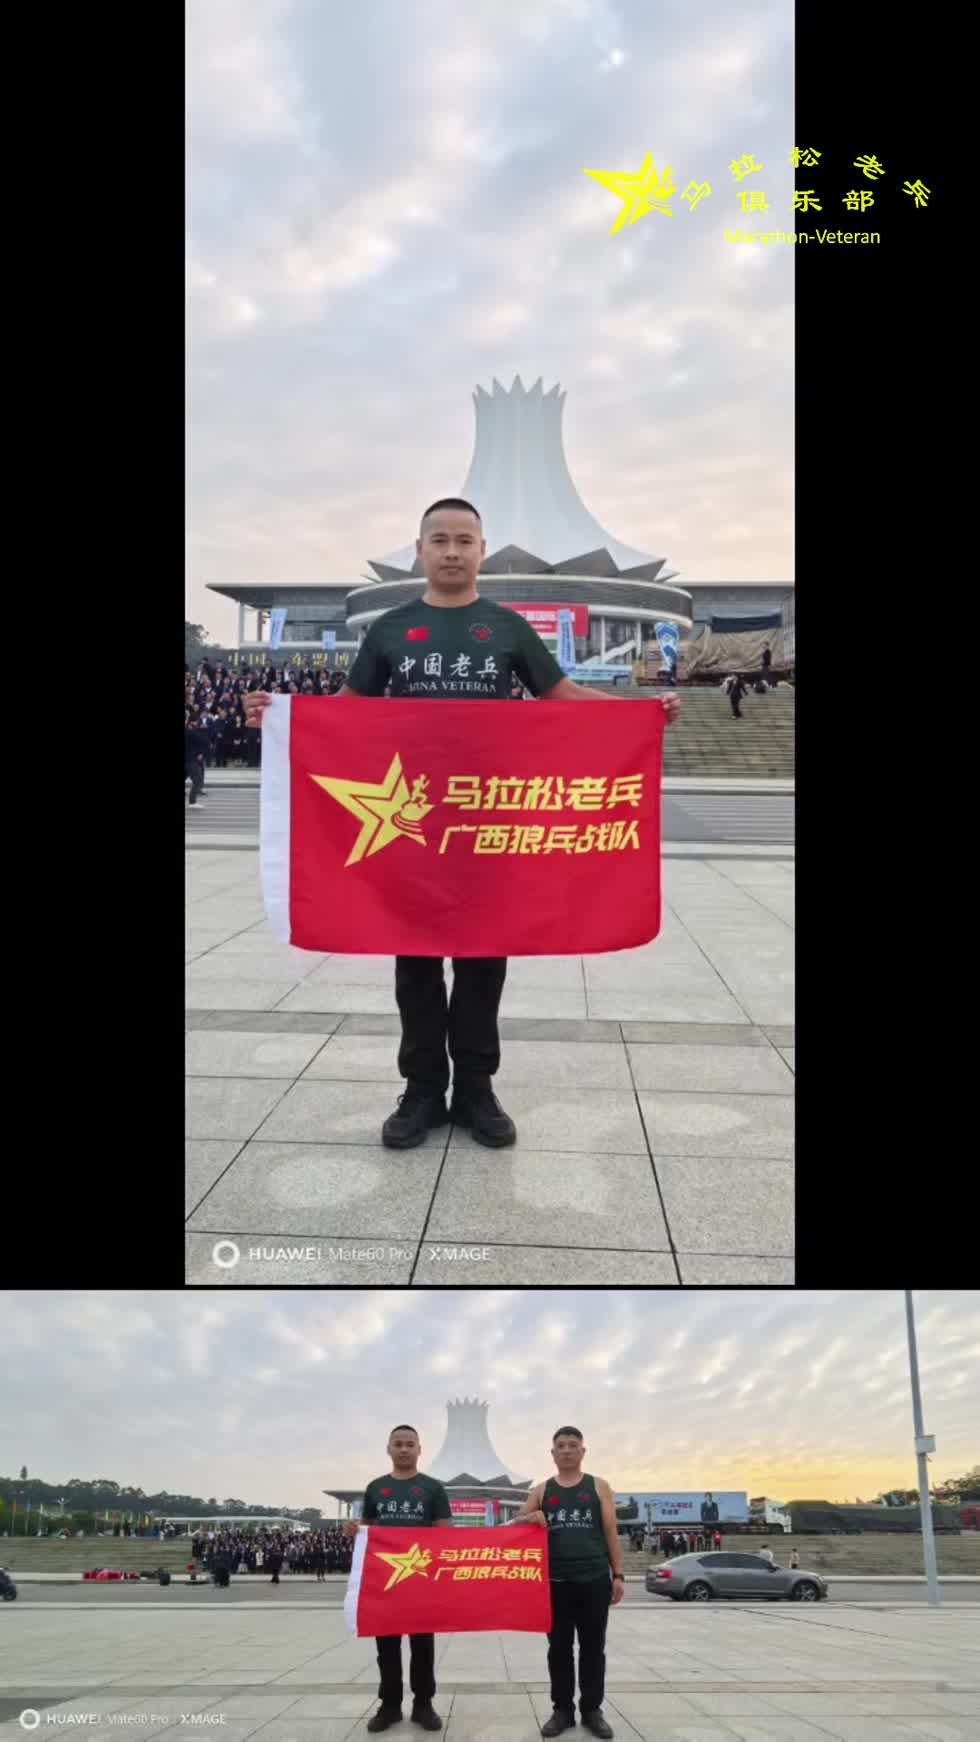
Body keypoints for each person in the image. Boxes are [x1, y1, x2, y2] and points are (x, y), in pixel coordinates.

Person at [244, 498, 682, 1152]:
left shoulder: (505, 628)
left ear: (482, 551)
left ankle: (476, 1088)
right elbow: (344, 710)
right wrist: (279, 715)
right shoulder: (392, 629)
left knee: (483, 959)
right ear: (420, 550)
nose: (452, 551)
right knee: (415, 962)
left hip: (484, 826)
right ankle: (422, 1089)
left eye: (464, 540)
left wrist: (639, 714)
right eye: (440, 540)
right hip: (410, 831)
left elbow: (563, 698)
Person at [507, 1425, 623, 1739]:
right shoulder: (542, 1490)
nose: (567, 1450)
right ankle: (562, 1711)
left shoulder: (598, 1486)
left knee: (593, 1649)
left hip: (594, 1579)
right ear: (553, 1453)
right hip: (554, 1582)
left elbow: (610, 1532)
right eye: (561, 1446)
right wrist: (529, 1517)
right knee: (558, 1650)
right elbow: (515, 1526)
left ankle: (592, 1710)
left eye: (573, 1445)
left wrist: (618, 1574)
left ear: (583, 1451)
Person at [350, 1423, 452, 1733]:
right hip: (385, 1583)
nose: (404, 1449)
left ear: (420, 1449)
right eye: (398, 1444)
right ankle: (390, 1706)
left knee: (423, 1646)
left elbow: (444, 1534)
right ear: (389, 1449)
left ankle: (423, 1705)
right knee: (387, 1648)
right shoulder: (376, 1488)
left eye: (410, 1444)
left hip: (420, 1581)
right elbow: (368, 1529)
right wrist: (356, 1531)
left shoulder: (433, 1489)